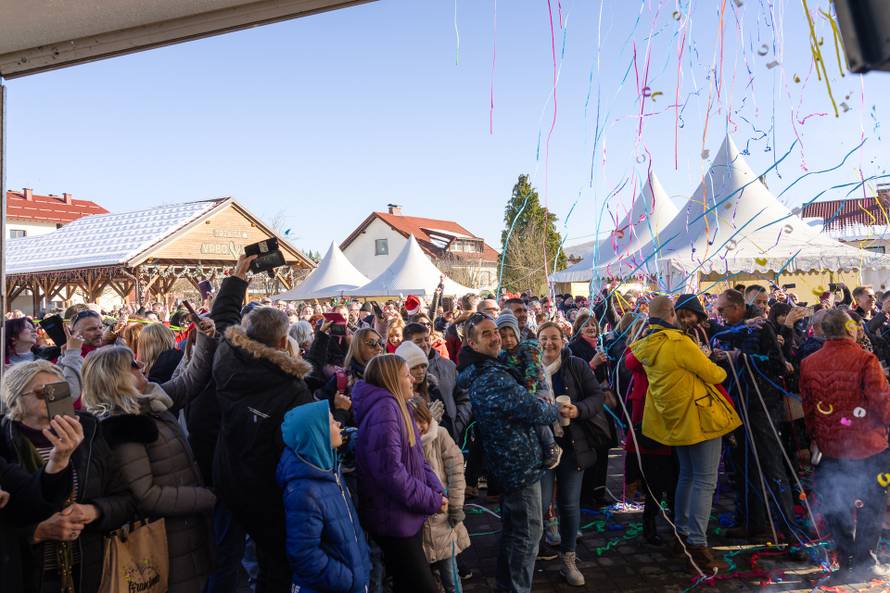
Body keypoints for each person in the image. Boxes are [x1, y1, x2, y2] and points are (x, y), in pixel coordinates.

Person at [82, 346, 215, 593]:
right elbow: (146, 495)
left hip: (184, 532)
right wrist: (209, 497)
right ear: (116, 377)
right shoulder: (122, 426)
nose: (141, 366)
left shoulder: (149, 403)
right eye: (133, 364)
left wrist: (205, 338)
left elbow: (188, 382)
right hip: (163, 541)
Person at [0, 360, 135, 593]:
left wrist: (94, 511)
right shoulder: (4, 442)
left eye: (59, 390)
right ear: (16, 399)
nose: (54, 398)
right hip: (28, 574)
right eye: (44, 392)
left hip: (86, 569)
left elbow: (126, 500)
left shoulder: (89, 431)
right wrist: (37, 532)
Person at [630, 296, 740, 572]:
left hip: (675, 421)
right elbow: (715, 374)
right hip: (699, 419)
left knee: (688, 477)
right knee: (704, 480)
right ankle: (697, 541)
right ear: (671, 313)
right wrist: (707, 358)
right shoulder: (678, 343)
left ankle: (682, 532)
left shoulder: (646, 345)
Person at [213, 302, 315, 593]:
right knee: (275, 565)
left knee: (228, 560)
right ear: (284, 342)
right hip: (266, 490)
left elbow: (223, 320)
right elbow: (308, 442)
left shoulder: (226, 361)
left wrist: (240, 274)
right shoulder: (292, 389)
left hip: (229, 478)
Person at [456, 313, 561, 593]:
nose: (496, 337)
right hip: (518, 467)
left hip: (510, 463)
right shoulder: (490, 376)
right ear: (472, 343)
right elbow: (534, 410)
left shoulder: (487, 368)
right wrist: (555, 409)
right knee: (527, 536)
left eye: (496, 332)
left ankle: (508, 587)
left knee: (516, 535)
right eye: (487, 334)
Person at [799, 308, 890, 581]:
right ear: (851, 329)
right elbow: (882, 402)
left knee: (837, 504)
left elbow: (808, 407)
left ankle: (846, 560)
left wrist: (814, 438)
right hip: (867, 446)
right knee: (871, 504)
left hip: (831, 446)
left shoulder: (809, 362)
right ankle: (864, 562)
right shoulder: (865, 359)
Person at [351, 354, 445, 593]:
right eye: (406, 375)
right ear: (392, 380)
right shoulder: (385, 410)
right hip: (393, 518)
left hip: (405, 514)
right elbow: (391, 473)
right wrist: (432, 499)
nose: (412, 379)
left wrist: (436, 491)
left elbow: (417, 458)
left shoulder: (397, 406)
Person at [538, 321, 609, 586]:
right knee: (541, 504)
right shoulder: (531, 369)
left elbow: (597, 396)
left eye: (554, 338)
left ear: (563, 340)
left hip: (572, 445)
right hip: (540, 447)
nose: (549, 343)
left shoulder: (576, 365)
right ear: (537, 341)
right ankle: (535, 549)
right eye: (543, 338)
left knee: (569, 505)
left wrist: (577, 410)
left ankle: (569, 559)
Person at [277, 400, 370, 593]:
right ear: (317, 435)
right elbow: (304, 555)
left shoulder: (328, 470)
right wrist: (348, 579)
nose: (338, 424)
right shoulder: (305, 492)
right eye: (330, 421)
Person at [412, 399, 470, 593]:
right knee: (429, 579)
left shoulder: (440, 435)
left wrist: (455, 506)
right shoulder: (406, 446)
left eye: (422, 420)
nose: (419, 426)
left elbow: (456, 473)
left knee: (451, 575)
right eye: (413, 421)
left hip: (444, 519)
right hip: (420, 524)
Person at [495, 311, 561, 469]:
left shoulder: (528, 348)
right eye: (503, 337)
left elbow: (533, 372)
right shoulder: (502, 356)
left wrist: (528, 397)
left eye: (511, 335)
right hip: (520, 393)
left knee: (535, 414)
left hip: (537, 388)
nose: (508, 340)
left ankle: (551, 445)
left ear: (517, 333)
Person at [402, 322, 471, 441]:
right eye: (418, 341)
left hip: (452, 438)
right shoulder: (401, 375)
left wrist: (458, 424)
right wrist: (428, 421)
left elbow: (463, 397)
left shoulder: (448, 365)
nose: (424, 344)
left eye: (426, 339)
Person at [315, 326, 385, 427]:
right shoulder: (341, 379)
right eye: (372, 343)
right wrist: (341, 410)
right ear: (358, 347)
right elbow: (325, 420)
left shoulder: (388, 375)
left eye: (380, 342)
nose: (379, 347)